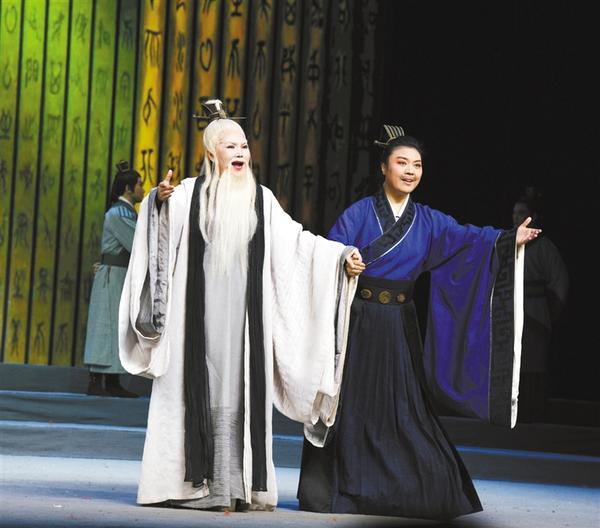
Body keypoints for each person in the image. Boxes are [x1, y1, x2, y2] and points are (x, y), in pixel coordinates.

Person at [118, 99, 363, 512]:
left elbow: (298, 243)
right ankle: (190, 487)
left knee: (238, 394)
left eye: (244, 146)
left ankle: (234, 485)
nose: (240, 153)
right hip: (193, 319)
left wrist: (339, 258)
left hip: (245, 322)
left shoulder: (261, 199)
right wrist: (158, 203)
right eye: (230, 146)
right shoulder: (186, 195)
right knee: (194, 390)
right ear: (211, 152)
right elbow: (157, 238)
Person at [297, 125, 542, 521]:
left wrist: (507, 239)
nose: (410, 171)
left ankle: (404, 489)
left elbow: (468, 239)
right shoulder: (359, 213)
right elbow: (327, 250)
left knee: (404, 409)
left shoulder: (427, 221)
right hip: (358, 322)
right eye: (402, 163)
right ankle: (334, 491)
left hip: (399, 323)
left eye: (417, 165)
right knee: (350, 407)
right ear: (383, 167)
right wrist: (344, 259)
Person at [84, 161, 144, 398]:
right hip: (113, 276)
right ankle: (98, 381)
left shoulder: (123, 212)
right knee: (106, 326)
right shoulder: (118, 213)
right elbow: (137, 243)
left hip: (119, 274)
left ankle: (111, 380)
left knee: (115, 327)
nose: (142, 189)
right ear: (128, 188)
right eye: (139, 184)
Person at [512, 188, 569, 423]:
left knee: (534, 363)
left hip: (535, 310)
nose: (516, 217)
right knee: (513, 362)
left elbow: (559, 280)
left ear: (532, 217)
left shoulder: (544, 247)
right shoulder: (508, 243)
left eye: (521, 213)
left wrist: (552, 312)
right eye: (514, 213)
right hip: (510, 311)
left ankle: (534, 412)